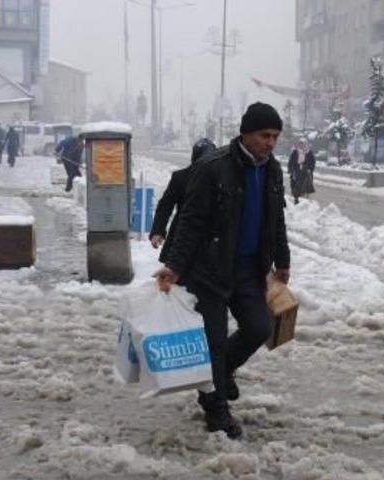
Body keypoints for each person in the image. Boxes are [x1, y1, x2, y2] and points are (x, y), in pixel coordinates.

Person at [154, 102, 291, 439]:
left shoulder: (272, 170)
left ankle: (221, 372)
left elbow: (277, 218)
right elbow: (191, 221)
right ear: (245, 133)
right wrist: (173, 266)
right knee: (213, 343)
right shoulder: (213, 168)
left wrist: (282, 260)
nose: (270, 142)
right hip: (209, 271)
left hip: (249, 270)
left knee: (259, 328)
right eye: (264, 135)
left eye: (275, 136)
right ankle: (216, 411)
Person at [150, 138, 218, 258]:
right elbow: (166, 204)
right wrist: (158, 230)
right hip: (184, 234)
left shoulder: (221, 178)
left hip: (210, 238)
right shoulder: (181, 177)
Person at [287, 137, 316, 204]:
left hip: (305, 174)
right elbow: (290, 162)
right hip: (296, 173)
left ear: (306, 144)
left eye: (303, 144)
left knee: (304, 191)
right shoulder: (295, 152)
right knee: (295, 190)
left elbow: (312, 163)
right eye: (300, 144)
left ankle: (303, 205)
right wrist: (291, 170)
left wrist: (309, 169)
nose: (301, 145)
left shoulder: (309, 153)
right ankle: (296, 203)